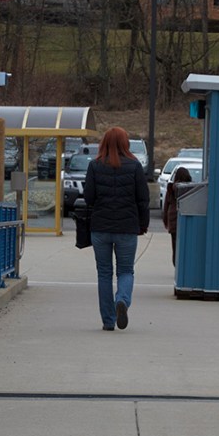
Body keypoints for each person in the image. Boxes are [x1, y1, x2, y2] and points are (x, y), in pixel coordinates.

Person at [83, 127, 150, 331]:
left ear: (104, 143)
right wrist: (143, 224)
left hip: (100, 227)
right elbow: (143, 200)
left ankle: (108, 320)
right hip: (127, 227)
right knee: (125, 270)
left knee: (104, 273)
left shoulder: (94, 166)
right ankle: (122, 300)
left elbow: (88, 198)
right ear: (125, 143)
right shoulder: (135, 166)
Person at [162, 166, 191, 266]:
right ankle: (184, 265)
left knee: (174, 245)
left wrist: (165, 221)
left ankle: (176, 264)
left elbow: (166, 206)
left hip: (173, 220)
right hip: (186, 220)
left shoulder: (171, 188)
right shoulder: (190, 189)